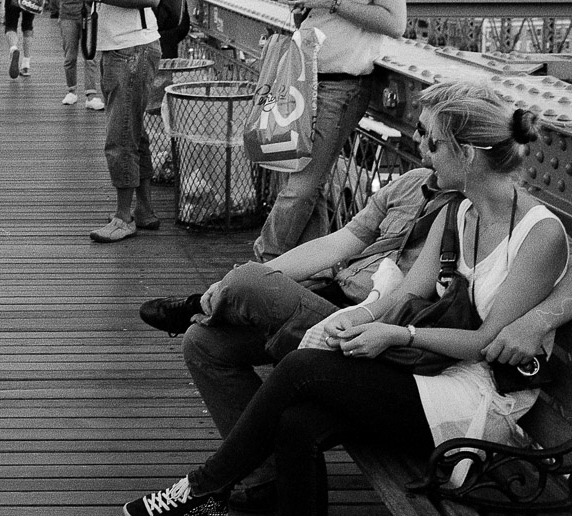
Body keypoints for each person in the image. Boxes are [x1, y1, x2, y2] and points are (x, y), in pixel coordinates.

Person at [123, 81, 569, 516]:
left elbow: (485, 344)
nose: (423, 151)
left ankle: (201, 488)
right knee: (297, 423)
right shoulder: (459, 211)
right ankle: (211, 488)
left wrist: (394, 333)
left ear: (466, 153)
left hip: (476, 395)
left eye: (432, 143)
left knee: (299, 367)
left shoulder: (538, 234)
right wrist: (360, 318)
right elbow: (410, 290)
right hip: (428, 367)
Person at [256, 0, 406, 261]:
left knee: (300, 186)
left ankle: (261, 262)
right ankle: (312, 269)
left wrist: (331, 0)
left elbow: (394, 22)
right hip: (306, 82)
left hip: (343, 86)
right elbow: (316, 19)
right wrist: (303, 8)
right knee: (310, 185)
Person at [67, 0, 162, 242]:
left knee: (119, 138)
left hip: (132, 51)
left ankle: (124, 218)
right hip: (117, 50)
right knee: (134, 134)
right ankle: (145, 210)